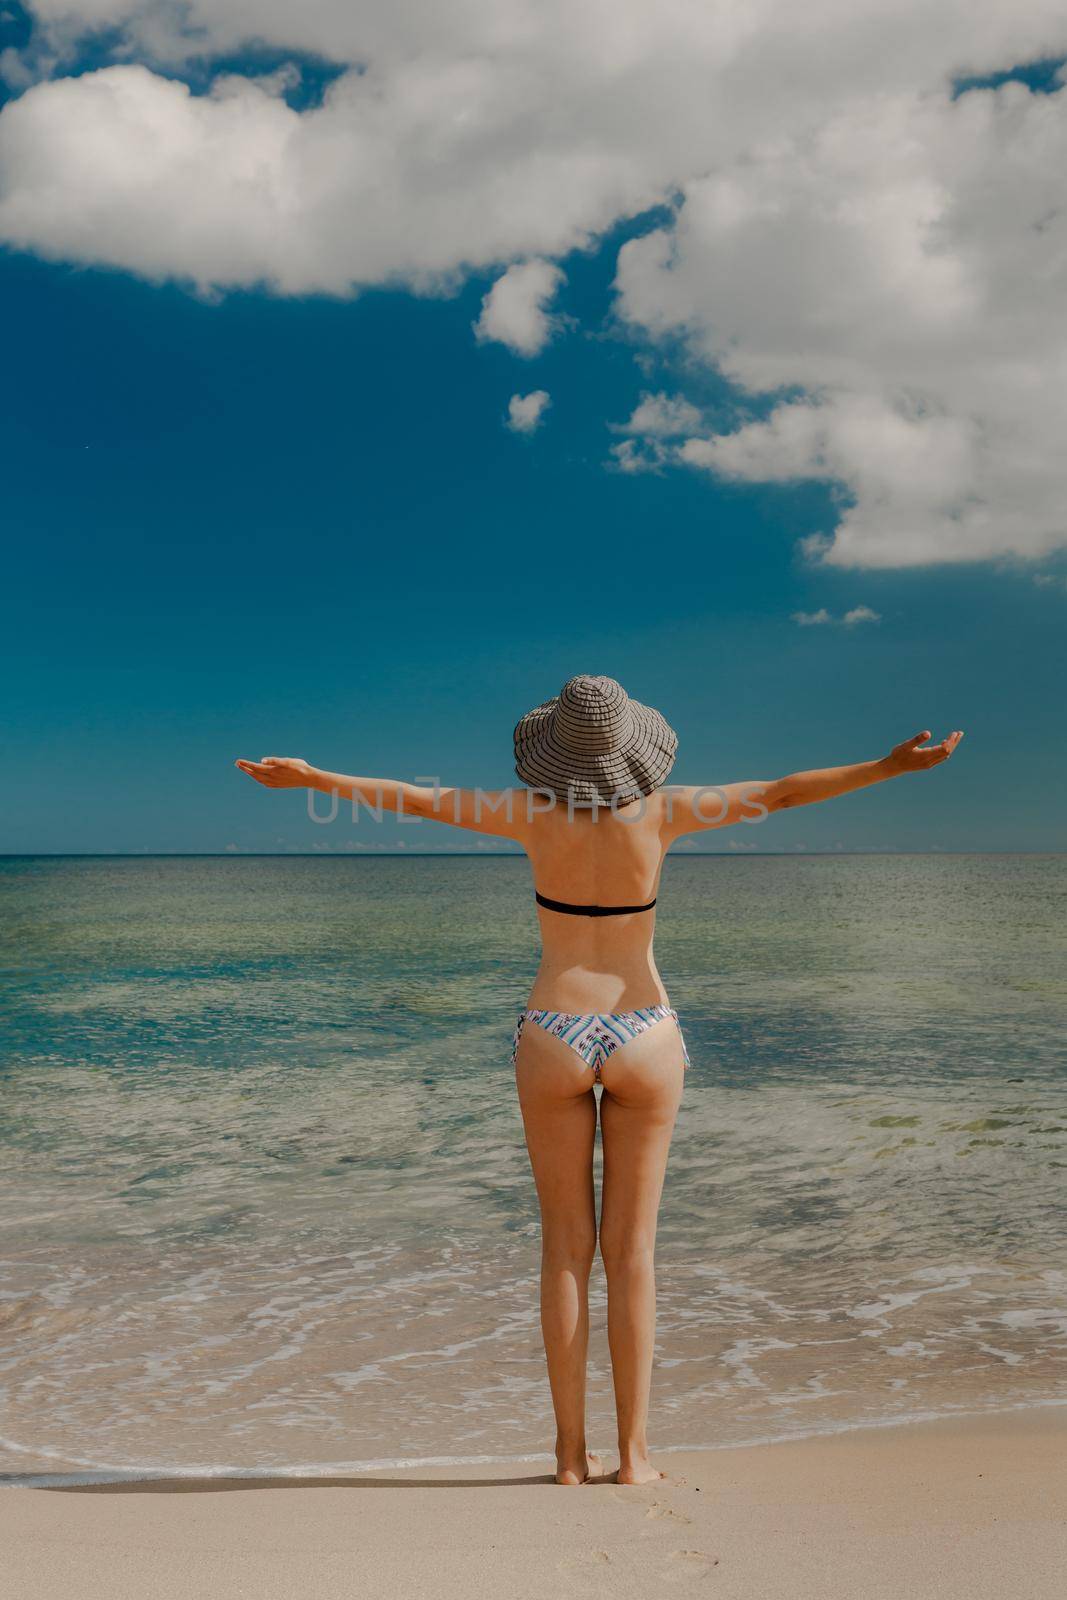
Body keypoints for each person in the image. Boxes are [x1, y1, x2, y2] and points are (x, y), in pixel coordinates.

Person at [236, 674, 963, 1486]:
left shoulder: (524, 813)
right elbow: (785, 793)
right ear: (633, 747)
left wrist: (311, 779)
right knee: (634, 1253)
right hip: (644, 1030)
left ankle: (567, 1457)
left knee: (564, 1252)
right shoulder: (668, 810)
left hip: (552, 1029)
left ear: (552, 747)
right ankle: (635, 1456)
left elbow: (412, 800)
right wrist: (889, 766)